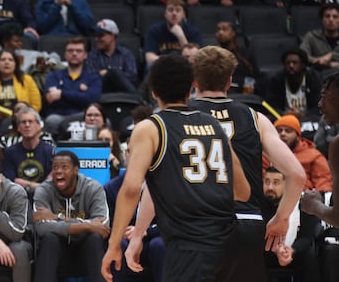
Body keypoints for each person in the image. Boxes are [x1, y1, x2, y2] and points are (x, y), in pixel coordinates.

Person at [100, 54, 250, 281]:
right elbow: (243, 191)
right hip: (231, 241)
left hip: (189, 245)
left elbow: (131, 190)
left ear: (154, 92)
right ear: (190, 89)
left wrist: (114, 245)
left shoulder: (150, 128)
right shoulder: (214, 125)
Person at [188, 46, 306, 282]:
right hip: (246, 224)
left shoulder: (178, 117)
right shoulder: (255, 118)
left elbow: (153, 184)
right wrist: (281, 218)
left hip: (195, 225)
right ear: (230, 80)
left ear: (194, 81)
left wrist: (139, 232)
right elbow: (297, 175)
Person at [33, 150, 109, 282]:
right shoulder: (43, 190)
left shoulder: (93, 188)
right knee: (50, 238)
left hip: (86, 255)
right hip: (56, 255)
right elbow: (41, 227)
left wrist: (58, 218)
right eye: (55, 167)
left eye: (64, 167)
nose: (58, 171)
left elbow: (103, 227)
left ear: (76, 170)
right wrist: (88, 225)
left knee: (95, 238)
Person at [262, 167, 321, 281]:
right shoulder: (258, 204)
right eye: (267, 182)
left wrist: (293, 250)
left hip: (295, 253)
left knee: (309, 254)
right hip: (267, 253)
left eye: (276, 183)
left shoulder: (304, 203)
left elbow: (307, 235)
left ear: (287, 185)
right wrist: (276, 249)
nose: (270, 187)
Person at [301, 73, 339, 229]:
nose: (320, 104)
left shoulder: (338, 145)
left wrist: (314, 205)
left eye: (326, 97)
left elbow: (338, 218)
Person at [44, 37, 102, 131]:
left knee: (104, 121)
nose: (74, 54)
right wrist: (80, 96)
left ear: (85, 55)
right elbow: (50, 98)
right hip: (59, 116)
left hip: (84, 116)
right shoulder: (54, 75)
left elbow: (91, 99)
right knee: (51, 121)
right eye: (70, 51)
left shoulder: (93, 77)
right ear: (65, 54)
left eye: (78, 51)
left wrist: (61, 94)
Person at [263, 114, 331, 192]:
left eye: (288, 131)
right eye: (279, 131)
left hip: (302, 198)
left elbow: (323, 182)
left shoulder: (313, 156)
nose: (283, 134)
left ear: (298, 136)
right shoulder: (265, 155)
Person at [0, 50, 42, 129]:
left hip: (23, 118)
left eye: (10, 60)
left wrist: (23, 114)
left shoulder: (27, 80)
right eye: (3, 60)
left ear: (16, 63)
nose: (6, 62)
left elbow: (36, 105)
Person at [3, 107, 55, 196]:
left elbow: (51, 185)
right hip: (17, 198)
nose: (27, 125)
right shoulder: (10, 152)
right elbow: (10, 183)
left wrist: (24, 184)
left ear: (39, 126)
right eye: (23, 122)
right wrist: (40, 187)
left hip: (45, 198)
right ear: (18, 128)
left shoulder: (50, 151)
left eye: (30, 121)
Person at [264, 47, 322, 119]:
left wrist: (304, 115)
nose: (291, 66)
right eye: (288, 63)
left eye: (295, 62)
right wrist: (283, 114)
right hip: (283, 118)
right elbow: (271, 106)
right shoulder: (276, 79)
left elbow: (318, 105)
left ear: (303, 65)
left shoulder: (313, 78)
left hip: (308, 118)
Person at [143, 0, 202, 66]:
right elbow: (149, 58)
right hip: (162, 66)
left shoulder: (193, 31)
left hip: (183, 66)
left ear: (184, 15)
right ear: (165, 14)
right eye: (170, 10)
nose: (174, 13)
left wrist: (181, 37)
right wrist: (172, 62)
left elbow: (194, 59)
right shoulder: (154, 31)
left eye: (178, 10)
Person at [85, 19, 138, 94]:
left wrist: (108, 73)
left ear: (112, 36)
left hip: (124, 94)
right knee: (113, 73)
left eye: (100, 35)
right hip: (101, 94)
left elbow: (133, 77)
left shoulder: (126, 54)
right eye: (95, 35)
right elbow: (90, 78)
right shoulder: (92, 55)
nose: (96, 39)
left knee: (114, 73)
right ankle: (139, 99)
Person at [300, 3, 339, 71]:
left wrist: (332, 55)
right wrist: (318, 61)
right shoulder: (311, 36)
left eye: (335, 17)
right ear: (322, 20)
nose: (331, 20)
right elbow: (302, 55)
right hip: (319, 76)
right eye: (327, 16)